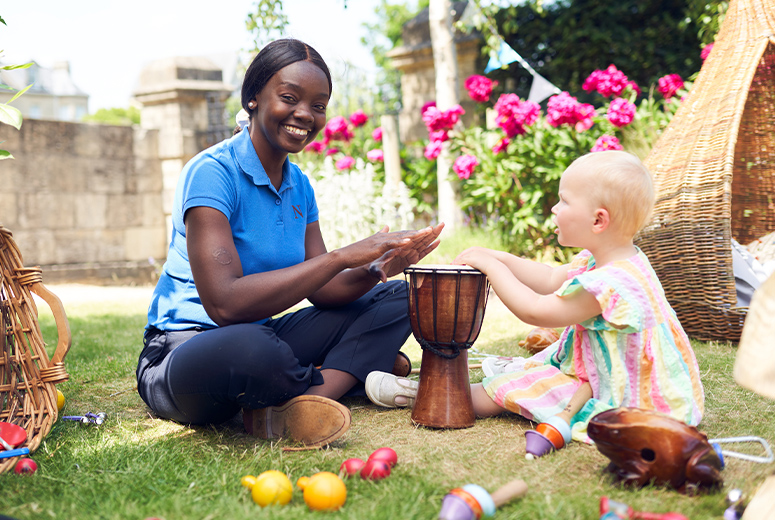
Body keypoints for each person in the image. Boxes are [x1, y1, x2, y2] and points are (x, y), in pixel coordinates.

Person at [136, 38, 443, 448]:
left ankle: (310, 399)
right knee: (254, 348)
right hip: (186, 351)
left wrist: (378, 268)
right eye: (289, 97)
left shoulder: (299, 184)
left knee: (397, 298)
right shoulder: (212, 172)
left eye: (319, 105)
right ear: (253, 98)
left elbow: (326, 290)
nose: (305, 114)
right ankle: (352, 371)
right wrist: (341, 256)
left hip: (263, 337)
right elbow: (225, 305)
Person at [366, 150, 704, 445]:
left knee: (517, 389)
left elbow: (536, 310)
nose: (554, 208)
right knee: (531, 369)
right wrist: (496, 255)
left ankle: (430, 396)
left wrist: (491, 268)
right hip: (602, 368)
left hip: (625, 394)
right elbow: (550, 277)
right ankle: (462, 383)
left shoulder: (610, 285)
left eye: (565, 201)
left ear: (598, 220)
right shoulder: (610, 259)